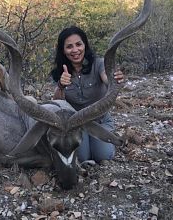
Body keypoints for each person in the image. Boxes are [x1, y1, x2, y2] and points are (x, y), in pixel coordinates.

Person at [50, 26, 124, 163]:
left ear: (85, 45)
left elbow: (107, 79)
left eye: (79, 44)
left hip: (100, 121)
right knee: (82, 158)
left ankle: (105, 141)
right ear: (63, 50)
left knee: (102, 156)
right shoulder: (59, 72)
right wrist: (61, 85)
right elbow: (56, 103)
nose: (75, 50)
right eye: (69, 46)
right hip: (75, 125)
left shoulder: (99, 64)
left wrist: (115, 79)